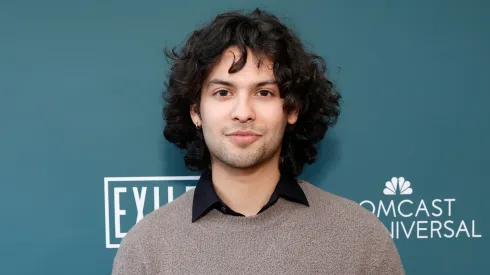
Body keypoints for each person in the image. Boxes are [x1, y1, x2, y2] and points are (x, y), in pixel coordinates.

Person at [112, 8, 405, 275]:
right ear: (195, 111)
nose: (243, 113)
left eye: (263, 93)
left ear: (291, 109)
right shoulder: (147, 249)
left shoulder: (359, 239)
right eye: (223, 93)